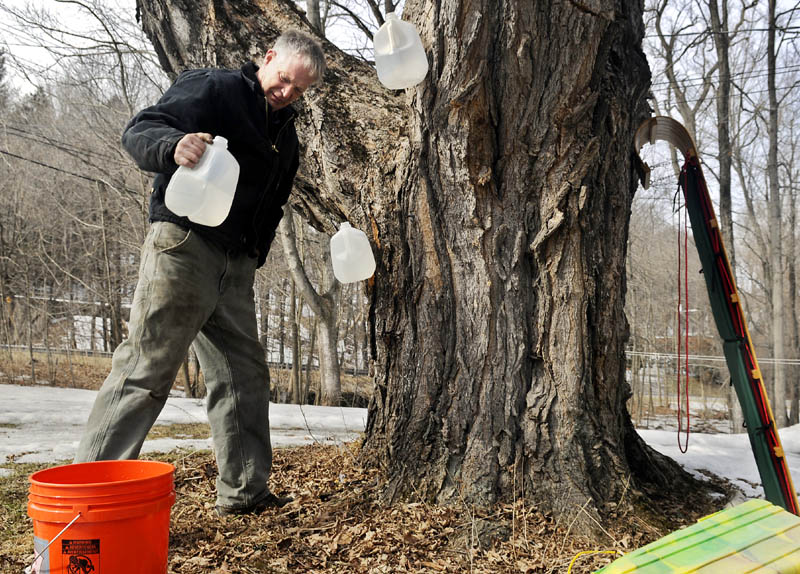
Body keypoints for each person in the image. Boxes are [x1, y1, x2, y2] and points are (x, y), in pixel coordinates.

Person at [74, 30, 326, 516]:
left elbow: (270, 208)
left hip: (237, 267)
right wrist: (174, 145)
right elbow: (142, 127)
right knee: (146, 370)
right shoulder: (215, 88)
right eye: (285, 80)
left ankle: (246, 494)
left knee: (244, 378)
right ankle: (89, 498)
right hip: (185, 246)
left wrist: (254, 256)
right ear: (268, 57)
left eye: (300, 90)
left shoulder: (286, 139)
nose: (288, 93)